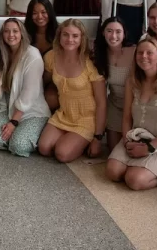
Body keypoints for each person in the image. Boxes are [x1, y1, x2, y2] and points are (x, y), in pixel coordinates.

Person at [106, 37, 157, 190]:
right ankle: (142, 166)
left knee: (134, 180)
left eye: (150, 53)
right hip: (137, 138)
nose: (144, 57)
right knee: (112, 172)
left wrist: (150, 147)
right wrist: (127, 141)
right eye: (140, 53)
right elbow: (127, 117)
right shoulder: (132, 81)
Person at [37, 19, 107, 162]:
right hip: (63, 114)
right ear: (59, 36)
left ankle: (79, 142)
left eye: (75, 36)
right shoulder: (51, 57)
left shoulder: (91, 63)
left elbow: (101, 103)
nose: (70, 39)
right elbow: (44, 81)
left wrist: (98, 138)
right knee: (43, 148)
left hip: (85, 119)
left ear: (82, 39)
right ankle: (71, 141)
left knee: (61, 154)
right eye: (66, 35)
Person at [0, 18, 50, 157]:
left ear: (22, 33)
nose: (11, 35)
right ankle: (18, 135)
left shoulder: (32, 55)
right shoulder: (3, 53)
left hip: (31, 110)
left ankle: (29, 133)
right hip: (8, 105)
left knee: (19, 146)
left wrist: (14, 122)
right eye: (7, 31)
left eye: (15, 31)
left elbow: (29, 93)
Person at [92, 17, 136, 151]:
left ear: (124, 34)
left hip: (135, 106)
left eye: (118, 31)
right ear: (103, 33)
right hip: (115, 106)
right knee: (113, 149)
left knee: (130, 147)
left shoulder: (135, 51)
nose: (113, 36)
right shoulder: (99, 54)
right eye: (109, 31)